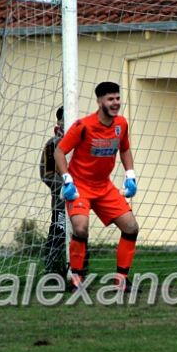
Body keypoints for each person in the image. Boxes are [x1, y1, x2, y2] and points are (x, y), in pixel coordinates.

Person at [54, 82, 139, 292]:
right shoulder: (83, 126)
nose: (115, 103)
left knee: (131, 227)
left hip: (104, 187)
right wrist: (67, 179)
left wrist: (130, 175)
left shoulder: (121, 124)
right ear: (100, 101)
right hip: (80, 186)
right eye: (110, 99)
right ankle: (76, 280)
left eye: (117, 98)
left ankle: (120, 279)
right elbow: (59, 152)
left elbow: (125, 149)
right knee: (81, 228)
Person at [39, 106, 67, 276]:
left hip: (80, 202)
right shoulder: (52, 144)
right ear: (59, 122)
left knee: (80, 234)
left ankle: (80, 270)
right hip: (61, 203)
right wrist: (66, 186)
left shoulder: (79, 142)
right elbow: (47, 175)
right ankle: (52, 269)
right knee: (59, 231)